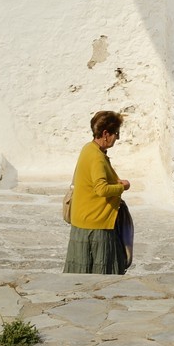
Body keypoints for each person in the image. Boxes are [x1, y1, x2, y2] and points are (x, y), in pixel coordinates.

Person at [62, 110, 131, 274]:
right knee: (102, 276)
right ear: (105, 133)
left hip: (84, 220)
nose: (117, 138)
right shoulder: (96, 157)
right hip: (96, 223)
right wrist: (123, 186)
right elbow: (101, 189)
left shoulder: (88, 149)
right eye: (116, 133)